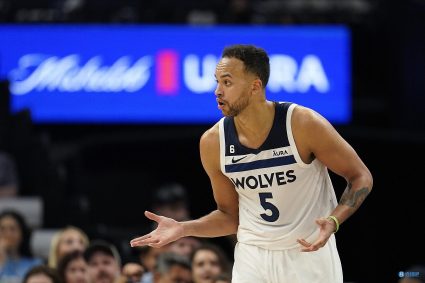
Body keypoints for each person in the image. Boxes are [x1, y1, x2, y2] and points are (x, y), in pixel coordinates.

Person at [130, 44, 373, 283]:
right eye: (217, 82)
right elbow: (229, 217)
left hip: (307, 251)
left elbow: (360, 176)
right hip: (252, 255)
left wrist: (334, 220)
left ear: (255, 86)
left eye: (227, 82)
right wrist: (183, 229)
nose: (217, 90)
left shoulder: (302, 124)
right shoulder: (213, 142)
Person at [0, 210, 43, 282]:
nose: (8, 234)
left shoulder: (35, 264)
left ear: (22, 234)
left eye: (12, 229)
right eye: (2, 229)